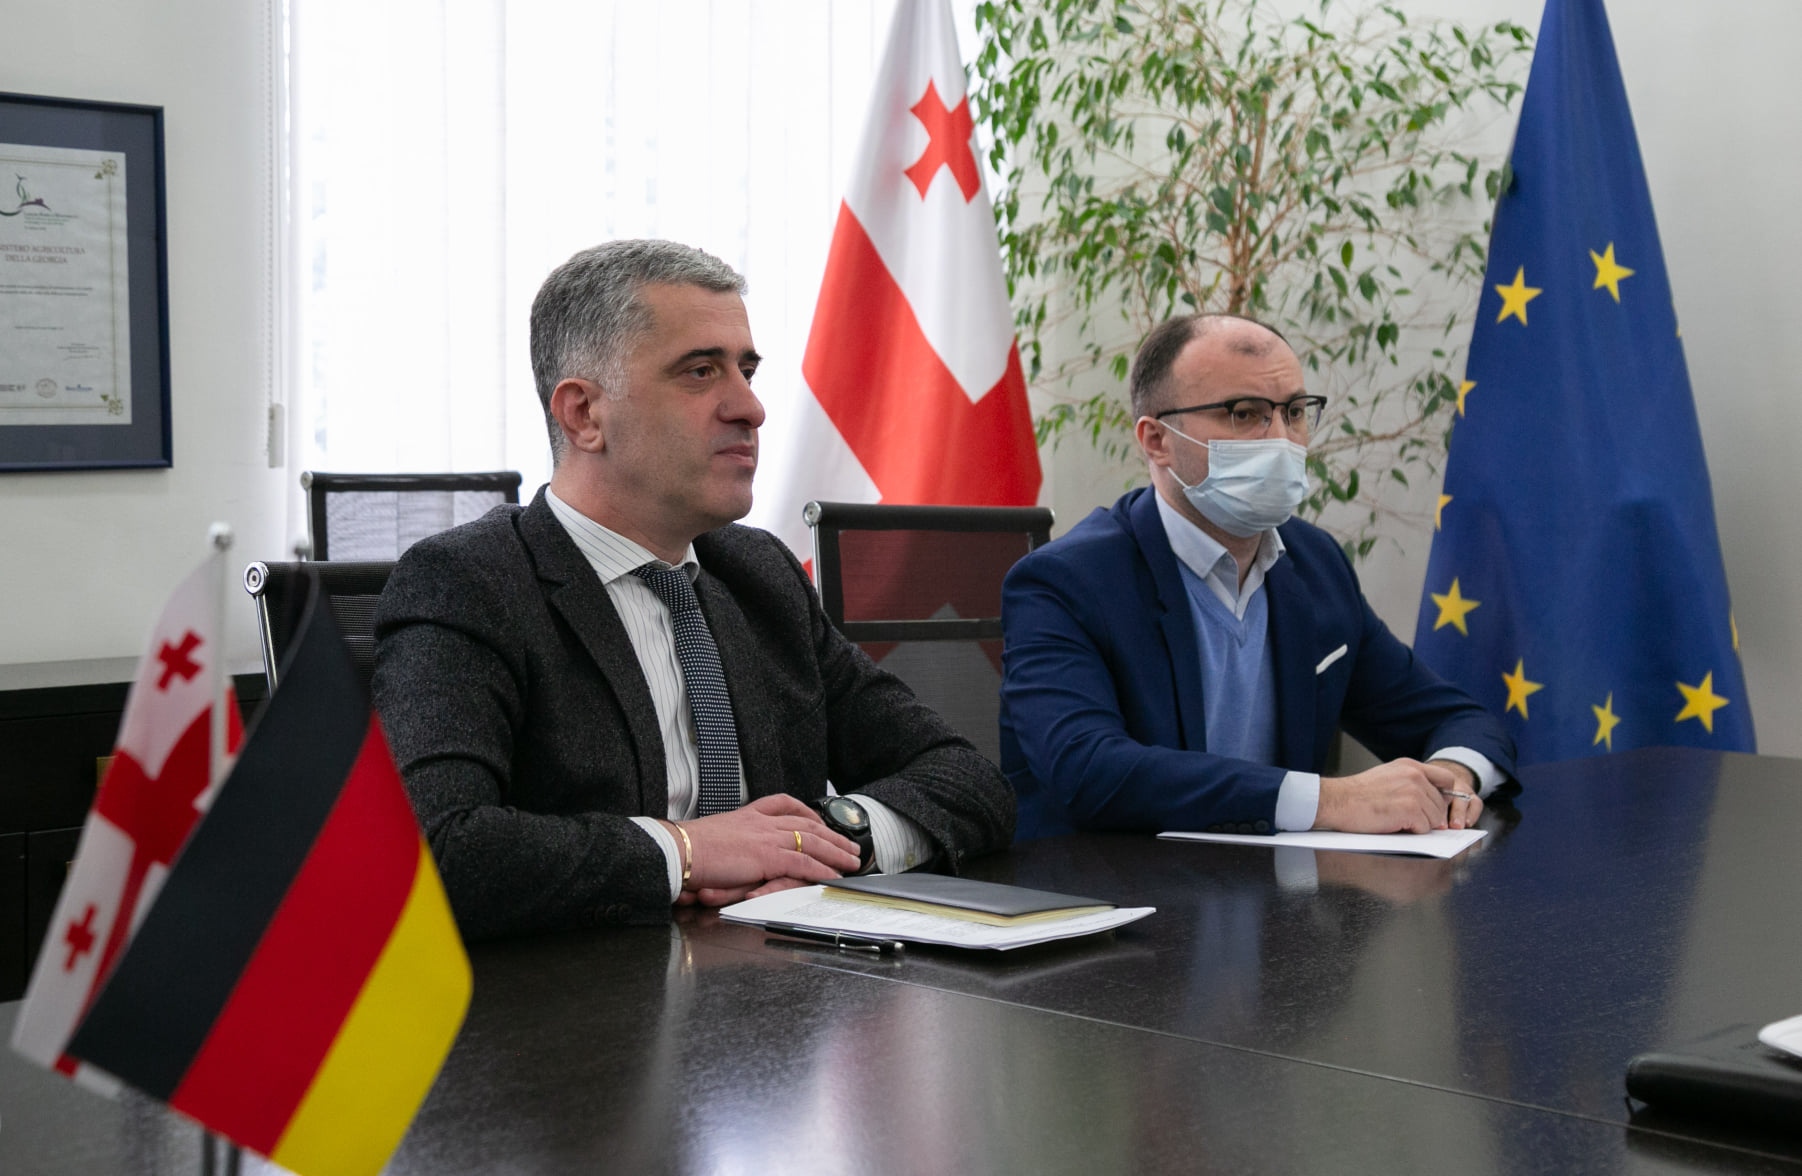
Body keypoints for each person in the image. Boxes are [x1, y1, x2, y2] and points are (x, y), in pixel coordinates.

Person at [374, 240, 1013, 939]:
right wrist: (687, 852)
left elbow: (968, 778)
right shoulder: (468, 584)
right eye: (701, 372)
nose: (751, 408)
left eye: (747, 370)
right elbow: (436, 850)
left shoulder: (759, 575)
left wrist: (827, 837)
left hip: (785, 980)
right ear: (583, 415)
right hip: (591, 993)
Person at [999, 313, 1515, 840]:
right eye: (1245, 414)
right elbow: (1088, 769)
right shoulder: (1063, 583)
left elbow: (1456, 719)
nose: (1281, 439)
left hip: (1276, 885)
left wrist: (1450, 778)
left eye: (1294, 412)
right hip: (1111, 883)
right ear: (1156, 440)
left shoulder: (1315, 564)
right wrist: (1332, 799)